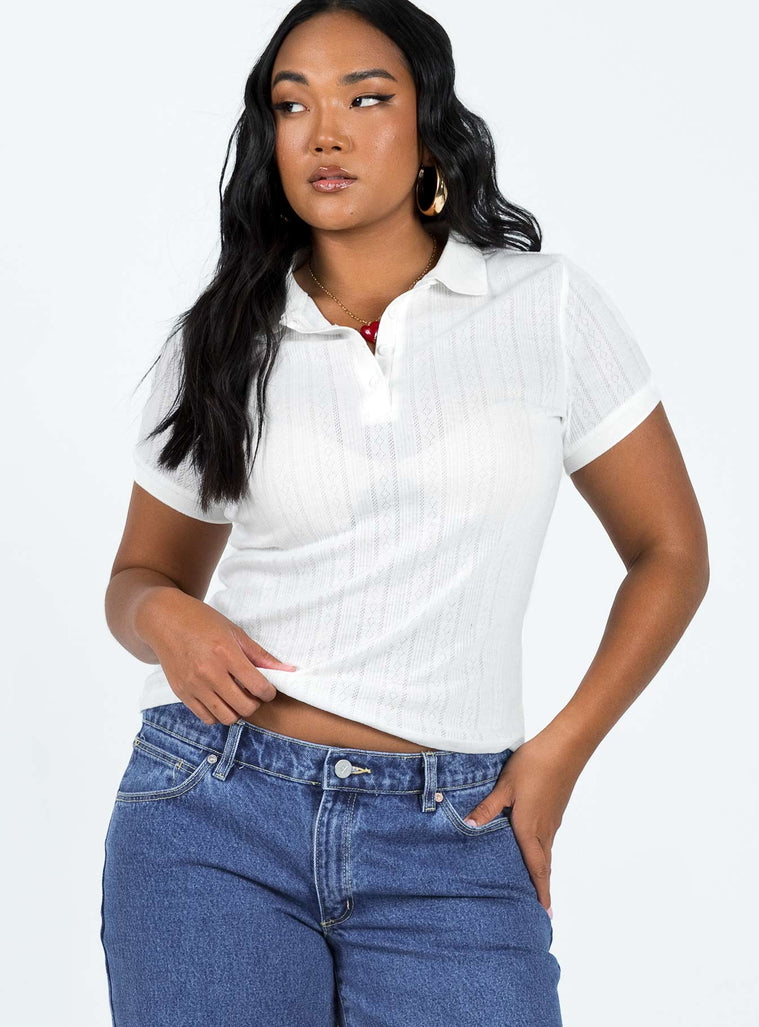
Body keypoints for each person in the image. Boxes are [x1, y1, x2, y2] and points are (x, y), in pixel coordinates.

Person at [99, 2, 710, 1025]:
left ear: (429, 127)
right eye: (292, 105)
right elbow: (137, 579)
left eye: (365, 98)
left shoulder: (544, 307)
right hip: (215, 813)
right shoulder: (222, 338)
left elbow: (670, 550)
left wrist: (558, 752)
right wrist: (167, 618)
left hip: (456, 829)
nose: (325, 133)